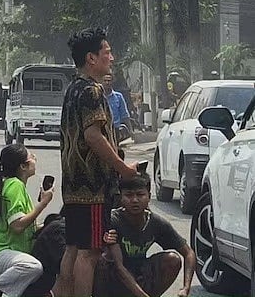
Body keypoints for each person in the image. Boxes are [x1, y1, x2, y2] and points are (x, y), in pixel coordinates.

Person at [56, 28, 138, 297]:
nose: (111, 58)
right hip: (92, 187)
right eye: (107, 53)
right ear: (91, 58)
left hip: (72, 185)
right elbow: (93, 136)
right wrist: (123, 168)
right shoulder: (92, 91)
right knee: (89, 252)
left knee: (73, 248)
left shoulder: (72, 89)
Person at [95, 173, 195, 297]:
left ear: (149, 196)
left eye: (140, 195)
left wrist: (186, 288)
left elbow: (189, 253)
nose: (135, 200)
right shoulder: (113, 220)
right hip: (114, 278)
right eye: (129, 195)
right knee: (101, 261)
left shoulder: (156, 223)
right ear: (121, 198)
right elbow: (119, 267)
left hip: (140, 274)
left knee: (172, 260)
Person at [0, 143, 51, 297]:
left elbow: (24, 225)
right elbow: (17, 226)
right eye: (31, 157)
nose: (35, 159)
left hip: (5, 255)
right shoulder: (15, 186)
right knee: (33, 266)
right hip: (1, 252)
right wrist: (43, 203)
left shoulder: (13, 185)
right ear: (23, 167)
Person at [104, 73, 131, 142]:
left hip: (115, 130)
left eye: (109, 81)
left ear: (112, 82)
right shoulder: (98, 96)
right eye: (105, 80)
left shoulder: (118, 97)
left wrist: (130, 131)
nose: (107, 83)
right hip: (102, 130)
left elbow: (124, 114)